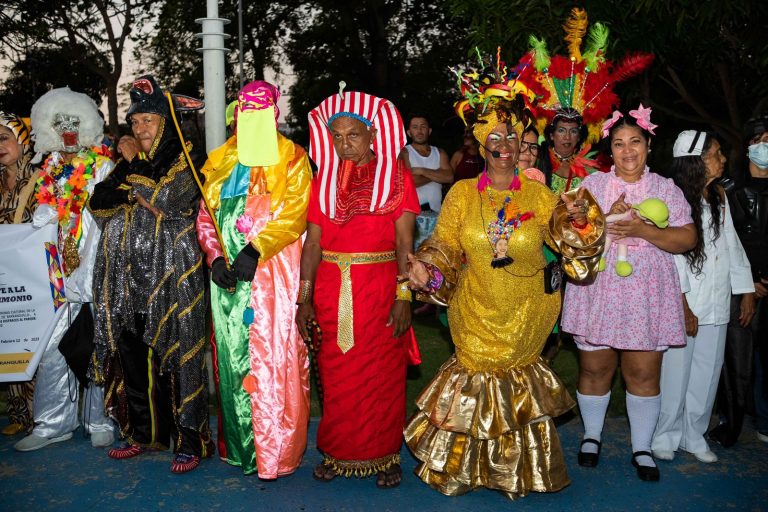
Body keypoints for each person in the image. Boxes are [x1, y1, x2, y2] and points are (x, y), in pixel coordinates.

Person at [404, 55, 601, 500]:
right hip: (474, 306)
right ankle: (463, 468)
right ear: (480, 142)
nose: (505, 144)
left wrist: (581, 220)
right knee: (475, 380)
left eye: (512, 137)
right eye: (494, 136)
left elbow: (569, 239)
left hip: (528, 307)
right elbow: (445, 246)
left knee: (515, 386)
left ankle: (516, 472)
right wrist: (426, 268)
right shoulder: (459, 194)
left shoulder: (540, 192)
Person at [561, 106, 697, 482]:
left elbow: (687, 238)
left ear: (649, 145)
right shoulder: (593, 187)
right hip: (600, 289)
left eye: (635, 141)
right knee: (595, 367)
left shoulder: (665, 188)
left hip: (647, 294)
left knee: (642, 371)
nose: (627, 150)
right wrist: (604, 220)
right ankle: (591, 436)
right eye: (618, 143)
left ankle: (642, 446)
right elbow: (573, 236)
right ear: (610, 151)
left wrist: (643, 231)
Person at [296, 86, 420, 489]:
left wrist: (405, 296)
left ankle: (385, 456)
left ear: (372, 135)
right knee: (336, 376)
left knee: (383, 376)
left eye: (353, 135)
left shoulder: (397, 178)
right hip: (332, 291)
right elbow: (312, 244)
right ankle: (337, 451)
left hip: (382, 290)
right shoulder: (323, 180)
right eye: (337, 136)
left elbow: (405, 244)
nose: (344, 144)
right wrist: (304, 298)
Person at [88, 75, 213, 473]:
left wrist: (133, 168)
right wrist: (131, 191)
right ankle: (145, 434)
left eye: (150, 122)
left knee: (179, 351)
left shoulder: (189, 158)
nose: (140, 130)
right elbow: (99, 200)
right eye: (136, 122)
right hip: (127, 277)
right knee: (133, 351)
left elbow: (165, 200)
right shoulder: (132, 163)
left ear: (168, 124)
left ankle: (190, 441)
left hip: (173, 271)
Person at [196, 81, 312, 478]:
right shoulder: (220, 162)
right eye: (245, 112)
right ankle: (245, 449)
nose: (251, 119)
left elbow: (295, 214)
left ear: (274, 114)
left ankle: (277, 453)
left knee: (274, 357)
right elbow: (206, 218)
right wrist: (214, 257)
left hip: (273, 277)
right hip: (228, 284)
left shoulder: (293, 158)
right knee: (231, 358)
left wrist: (255, 248)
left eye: (260, 112)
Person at [14, 88, 116, 452]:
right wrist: (49, 212)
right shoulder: (50, 169)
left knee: (96, 343)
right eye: (60, 124)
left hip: (91, 269)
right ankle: (52, 422)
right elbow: (41, 220)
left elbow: (107, 222)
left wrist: (88, 272)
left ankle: (98, 419)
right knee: (53, 346)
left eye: (74, 123)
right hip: (56, 273)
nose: (68, 131)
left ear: (86, 124)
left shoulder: (102, 166)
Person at [652, 130, 755, 464]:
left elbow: (731, 245)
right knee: (675, 372)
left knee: (708, 371)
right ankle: (664, 434)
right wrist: (683, 304)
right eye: (716, 153)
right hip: (685, 300)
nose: (722, 158)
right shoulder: (673, 199)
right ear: (696, 161)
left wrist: (745, 289)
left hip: (717, 298)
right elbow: (672, 257)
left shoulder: (719, 195)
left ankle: (693, 435)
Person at [710, 115, 768, 447]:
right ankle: (729, 420)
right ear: (747, 147)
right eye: (759, 141)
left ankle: (764, 419)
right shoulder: (727, 190)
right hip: (740, 289)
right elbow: (725, 242)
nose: (764, 147)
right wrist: (749, 284)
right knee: (736, 358)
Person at [0, 112, 38, 436]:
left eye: (4, 138)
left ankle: (40, 412)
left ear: (22, 141)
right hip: (3, 275)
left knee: (32, 339)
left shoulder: (40, 180)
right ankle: (18, 412)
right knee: (6, 337)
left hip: (33, 274)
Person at [399, 114, 453, 212]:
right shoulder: (403, 152)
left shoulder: (440, 152)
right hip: (411, 216)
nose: (419, 131)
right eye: (415, 127)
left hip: (436, 214)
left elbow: (449, 177)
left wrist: (420, 170)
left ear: (429, 131)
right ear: (409, 132)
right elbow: (408, 183)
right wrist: (438, 175)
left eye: (423, 126)